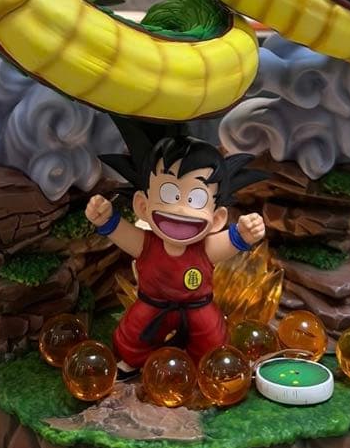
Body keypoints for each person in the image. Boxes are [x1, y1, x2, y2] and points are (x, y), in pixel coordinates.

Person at [86, 128, 266, 373]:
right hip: (151, 305)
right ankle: (133, 362)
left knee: (213, 341)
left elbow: (233, 241)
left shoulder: (205, 247)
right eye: (168, 194)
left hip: (198, 308)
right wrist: (105, 219)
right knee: (132, 335)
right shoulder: (146, 243)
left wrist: (245, 233)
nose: (180, 210)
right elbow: (119, 230)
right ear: (142, 205)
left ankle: (205, 368)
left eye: (196, 199)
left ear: (217, 219)